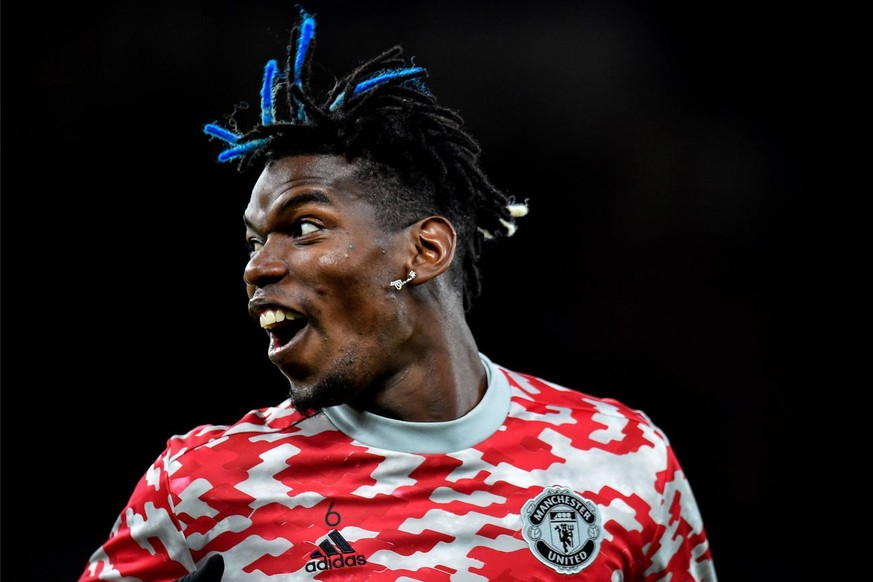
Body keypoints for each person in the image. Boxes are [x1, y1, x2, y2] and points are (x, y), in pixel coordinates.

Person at [78, 6, 717, 581]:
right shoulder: (201, 490)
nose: (258, 268)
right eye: (252, 242)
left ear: (424, 252)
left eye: (302, 228)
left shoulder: (622, 461)